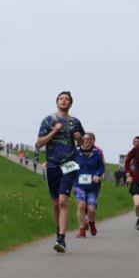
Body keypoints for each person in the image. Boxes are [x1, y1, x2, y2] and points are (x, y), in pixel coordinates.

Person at [35, 91, 84, 253]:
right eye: (61, 99)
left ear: (70, 104)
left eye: (67, 99)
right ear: (57, 102)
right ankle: (58, 230)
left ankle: (62, 238)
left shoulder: (75, 122)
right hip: (52, 165)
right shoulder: (48, 120)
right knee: (56, 203)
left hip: (69, 164)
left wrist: (79, 138)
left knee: (63, 201)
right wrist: (54, 131)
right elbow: (39, 143)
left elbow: (83, 142)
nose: (64, 101)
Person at [73, 132, 105, 237]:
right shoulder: (75, 153)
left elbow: (101, 168)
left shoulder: (97, 154)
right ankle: (82, 230)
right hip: (79, 185)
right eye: (84, 139)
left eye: (88, 139)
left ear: (92, 141)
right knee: (81, 205)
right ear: (81, 140)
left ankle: (91, 223)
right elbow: (69, 165)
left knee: (91, 209)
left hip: (92, 186)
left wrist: (97, 175)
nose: (86, 141)